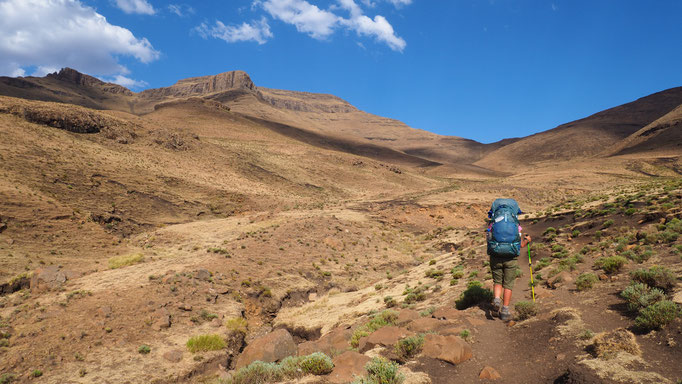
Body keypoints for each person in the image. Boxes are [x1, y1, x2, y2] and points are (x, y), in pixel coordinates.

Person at [486, 198, 532, 321]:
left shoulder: (493, 224)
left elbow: (489, 240)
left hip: (495, 256)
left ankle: (496, 300)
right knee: (508, 284)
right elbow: (520, 245)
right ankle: (505, 310)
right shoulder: (516, 226)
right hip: (511, 258)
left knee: (497, 281)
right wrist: (527, 241)